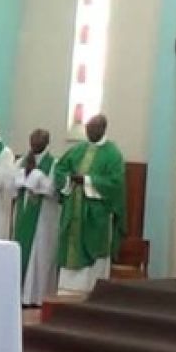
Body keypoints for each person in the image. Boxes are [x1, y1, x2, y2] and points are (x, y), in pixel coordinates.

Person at [54, 115, 126, 294]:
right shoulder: (77, 149)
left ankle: (90, 294)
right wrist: (68, 180)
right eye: (87, 128)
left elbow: (115, 184)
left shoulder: (113, 154)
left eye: (93, 129)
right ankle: (65, 292)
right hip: (73, 210)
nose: (89, 132)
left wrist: (86, 181)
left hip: (95, 216)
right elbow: (60, 169)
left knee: (93, 259)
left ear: (103, 129)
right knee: (70, 251)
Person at [13, 129, 59, 307]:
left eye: (39, 140)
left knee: (39, 256)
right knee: (23, 251)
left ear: (47, 142)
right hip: (23, 213)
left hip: (43, 220)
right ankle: (20, 295)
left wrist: (35, 175)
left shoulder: (54, 164)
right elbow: (12, 185)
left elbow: (53, 189)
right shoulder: (22, 161)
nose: (34, 143)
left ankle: (37, 296)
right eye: (32, 139)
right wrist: (23, 176)